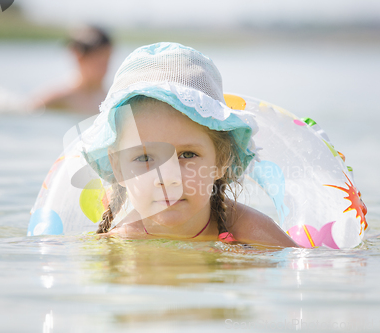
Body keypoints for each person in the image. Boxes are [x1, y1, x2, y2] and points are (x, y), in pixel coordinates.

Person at [81, 42, 298, 248]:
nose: (167, 178)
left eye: (187, 155)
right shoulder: (121, 245)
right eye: (145, 158)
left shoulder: (250, 231)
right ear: (118, 168)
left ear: (221, 160)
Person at [33, 26, 112, 115]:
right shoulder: (60, 97)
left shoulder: (111, 99)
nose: (104, 68)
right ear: (79, 57)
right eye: (98, 62)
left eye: (107, 60)